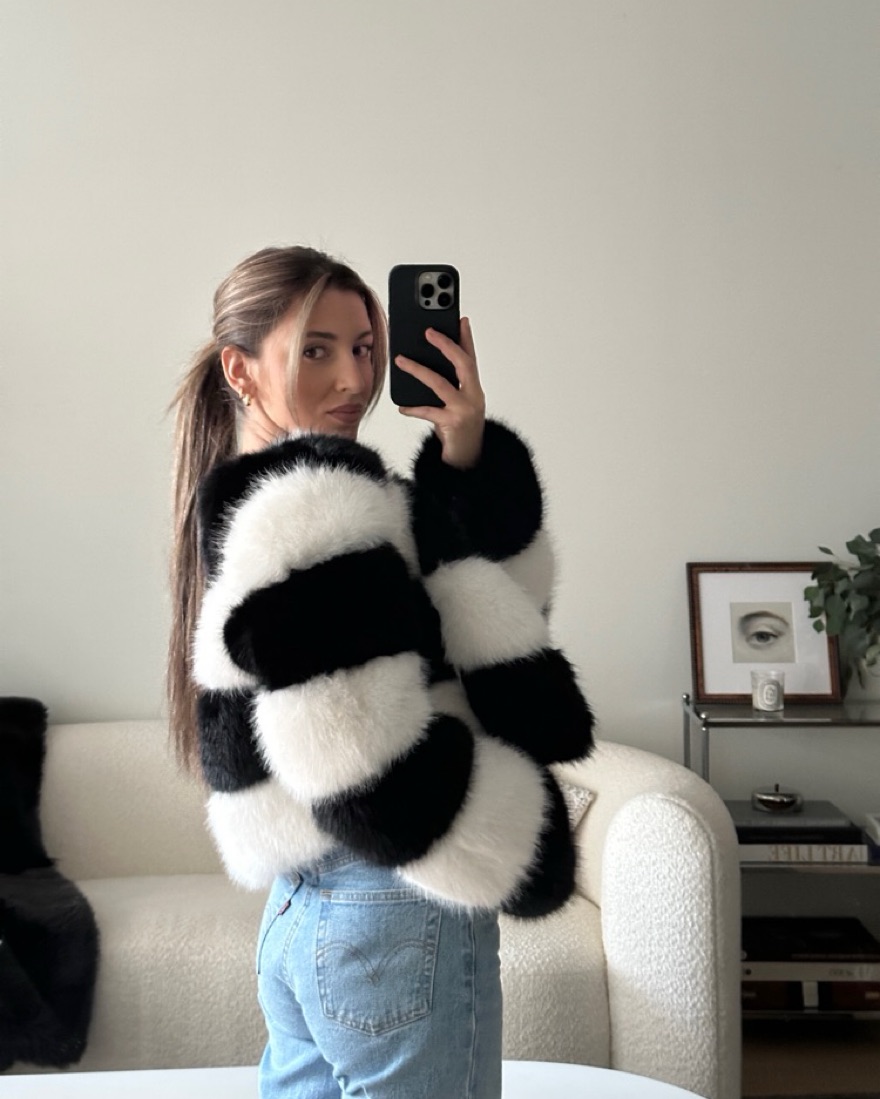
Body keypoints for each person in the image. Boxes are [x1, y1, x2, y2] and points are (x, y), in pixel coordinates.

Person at [167, 245, 594, 1099]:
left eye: (364, 347)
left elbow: (491, 620)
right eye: (316, 349)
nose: (353, 378)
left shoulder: (267, 501)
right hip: (393, 904)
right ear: (240, 371)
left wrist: (464, 452)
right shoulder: (316, 510)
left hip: (307, 906)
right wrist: (519, 837)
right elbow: (361, 760)